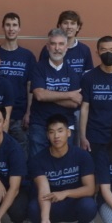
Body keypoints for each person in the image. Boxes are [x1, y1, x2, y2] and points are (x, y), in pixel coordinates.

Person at [29, 114, 98, 223]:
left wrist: (65, 193)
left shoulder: (82, 156)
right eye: (52, 132)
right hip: (51, 205)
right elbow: (43, 189)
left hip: (73, 202)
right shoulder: (38, 160)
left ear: (68, 133)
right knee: (33, 207)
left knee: (90, 206)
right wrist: (44, 218)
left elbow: (90, 189)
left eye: (60, 131)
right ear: (47, 135)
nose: (56, 136)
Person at [28, 29, 82, 157]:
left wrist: (48, 94)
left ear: (66, 47)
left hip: (65, 126)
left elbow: (75, 103)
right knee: (37, 165)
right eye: (53, 44)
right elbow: (39, 95)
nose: (57, 48)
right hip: (40, 125)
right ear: (47, 47)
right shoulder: (38, 68)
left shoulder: (72, 73)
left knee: (65, 166)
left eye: (61, 44)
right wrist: (68, 94)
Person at [0, 12, 36, 156]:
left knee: (21, 155)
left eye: (14, 25)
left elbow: (30, 87)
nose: (11, 28)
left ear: (19, 29)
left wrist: (28, 112)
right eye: (8, 25)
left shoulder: (27, 56)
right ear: (3, 27)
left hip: (20, 116)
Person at [39, 10, 93, 75]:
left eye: (72, 23)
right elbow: (41, 72)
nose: (69, 27)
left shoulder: (85, 50)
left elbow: (89, 75)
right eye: (65, 23)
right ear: (59, 26)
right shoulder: (48, 49)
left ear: (78, 27)